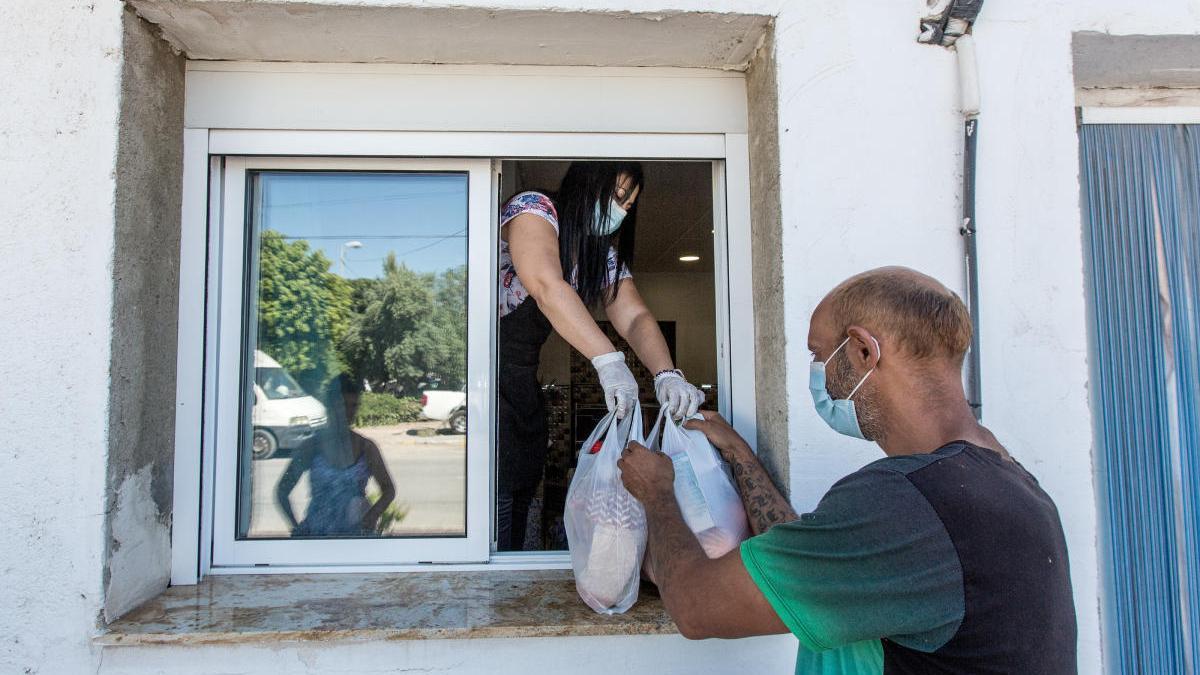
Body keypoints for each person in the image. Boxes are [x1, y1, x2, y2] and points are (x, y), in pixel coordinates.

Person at [618, 266, 1078, 674]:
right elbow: (822, 562)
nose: (817, 372)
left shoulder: (905, 501)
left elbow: (698, 608)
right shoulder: (1006, 482)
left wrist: (657, 492)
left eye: (819, 355)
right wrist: (739, 454)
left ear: (862, 351)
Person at [496, 161, 705, 551]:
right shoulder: (535, 210)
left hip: (523, 375)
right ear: (587, 182)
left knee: (524, 477)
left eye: (630, 205)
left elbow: (636, 316)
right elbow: (545, 284)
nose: (622, 211)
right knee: (499, 490)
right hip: (486, 375)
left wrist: (666, 374)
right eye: (618, 197)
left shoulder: (598, 255)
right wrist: (608, 362)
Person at [276, 374, 397, 537]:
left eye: (354, 405)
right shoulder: (312, 446)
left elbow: (389, 489)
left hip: (356, 539)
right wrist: (296, 528)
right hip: (317, 537)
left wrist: (372, 516)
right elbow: (282, 490)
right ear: (330, 406)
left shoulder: (366, 448)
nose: (349, 412)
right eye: (342, 405)